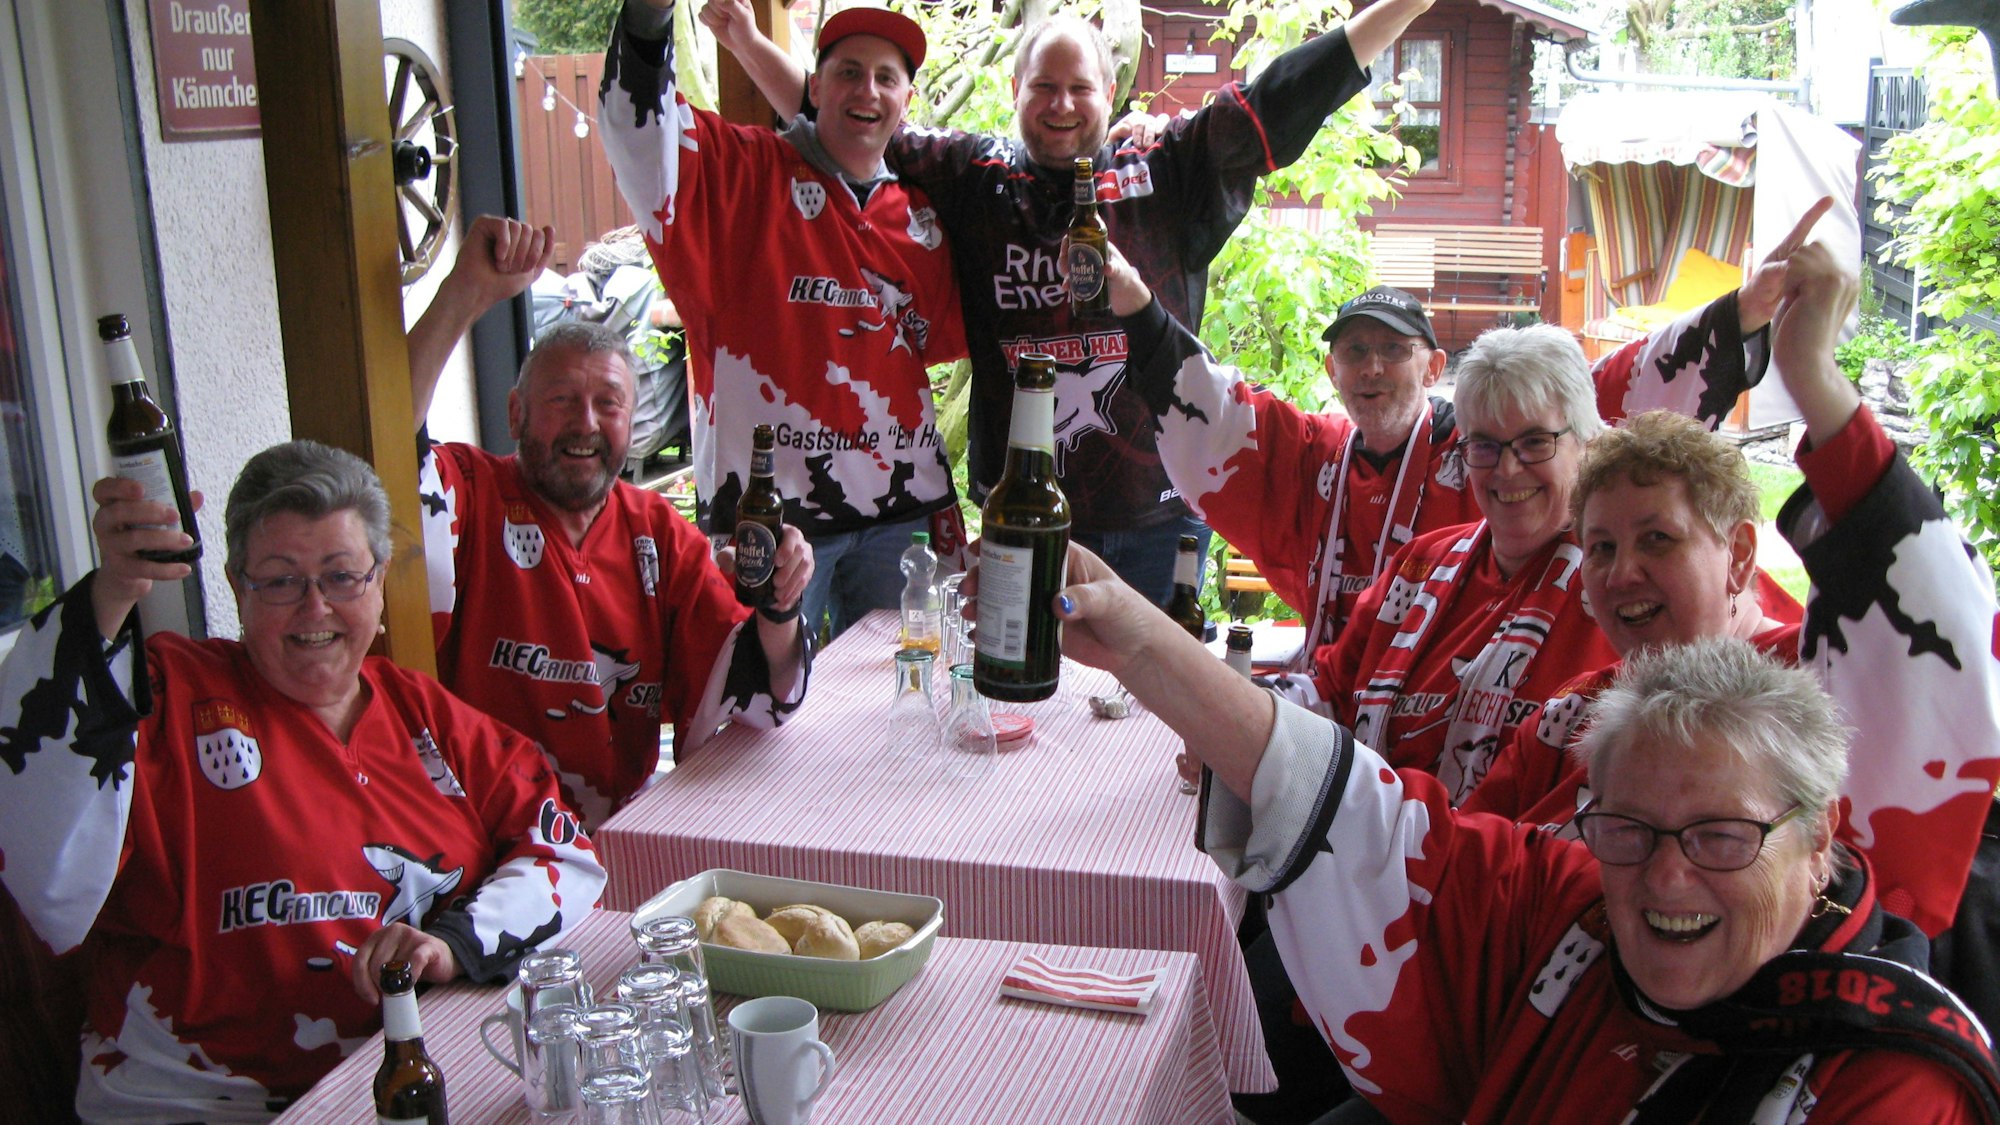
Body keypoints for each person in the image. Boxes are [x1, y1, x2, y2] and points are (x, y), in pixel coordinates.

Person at [1027, 551, 2000, 1119]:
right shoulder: (1576, 904)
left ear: (1819, 838)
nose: (1663, 881)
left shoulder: (1884, 1083)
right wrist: (1143, 641)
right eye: (1627, 829)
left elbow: (1936, 641)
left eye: (1717, 839)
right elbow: (1374, 825)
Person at [702, 0, 1442, 604]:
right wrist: (740, 37)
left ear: (1109, 92)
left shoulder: (1165, 170)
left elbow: (1279, 99)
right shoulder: (972, 174)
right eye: (1043, 88)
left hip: (1159, 520)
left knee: (1151, 733)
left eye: (1080, 88)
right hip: (1022, 523)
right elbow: (847, 115)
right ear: (1016, 92)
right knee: (1016, 707)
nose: (1062, 105)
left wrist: (1402, 9)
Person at [1454, 240, 2000, 1016]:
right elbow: (1459, 861)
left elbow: (1939, 629)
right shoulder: (1575, 711)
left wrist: (1813, 378)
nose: (1620, 573)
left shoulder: (1800, 694)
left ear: (1739, 554)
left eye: (1658, 540)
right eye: (1601, 547)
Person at [0, 441, 607, 1120]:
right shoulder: (167, 695)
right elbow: (39, 832)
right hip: (197, 1104)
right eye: (281, 580)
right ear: (237, 587)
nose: (315, 608)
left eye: (342, 575)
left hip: (394, 1083)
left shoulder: (425, 713)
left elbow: (565, 853)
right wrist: (112, 593)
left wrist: (451, 944)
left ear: (379, 584)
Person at [1123, 198, 1834, 666]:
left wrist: (1743, 311)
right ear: (1332, 367)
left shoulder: (1489, 439)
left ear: (1433, 364)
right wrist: (1134, 306)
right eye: (1354, 352)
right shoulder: (1315, 456)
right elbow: (1217, 414)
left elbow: (1607, 392)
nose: (1373, 370)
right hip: (1353, 694)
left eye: (1394, 352)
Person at [410, 217, 813, 828]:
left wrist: (779, 603)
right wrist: (463, 295)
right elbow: (388, 444)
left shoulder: (656, 532)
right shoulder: (469, 491)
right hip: (474, 843)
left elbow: (756, 693)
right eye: (562, 401)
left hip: (615, 843)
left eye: (609, 405)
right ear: (515, 412)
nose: (587, 425)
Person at [597, 0, 968, 641]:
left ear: (907, 100)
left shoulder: (924, 217)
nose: (868, 91)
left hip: (904, 512)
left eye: (887, 77)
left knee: (914, 703)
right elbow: (639, 135)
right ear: (814, 87)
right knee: (755, 717)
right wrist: (650, 17)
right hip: (767, 520)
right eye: (849, 72)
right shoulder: (739, 172)